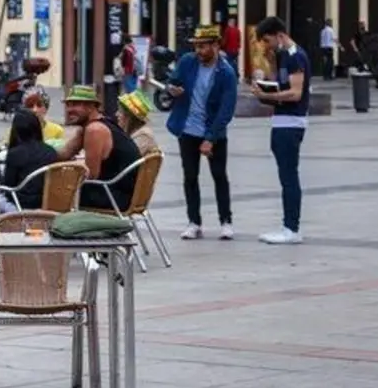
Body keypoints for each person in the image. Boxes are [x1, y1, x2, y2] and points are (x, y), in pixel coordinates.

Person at [164, 24, 238, 241]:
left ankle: (226, 221)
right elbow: (172, 82)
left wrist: (210, 138)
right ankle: (194, 222)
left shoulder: (226, 73)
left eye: (203, 46)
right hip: (187, 129)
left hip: (213, 131)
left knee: (219, 176)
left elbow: (227, 110)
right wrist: (172, 89)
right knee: (189, 176)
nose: (199, 50)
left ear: (216, 45)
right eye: (196, 46)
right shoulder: (187, 61)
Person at [250, 16, 310, 245]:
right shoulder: (284, 55)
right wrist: (270, 67)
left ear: (279, 35)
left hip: (291, 122)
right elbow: (280, 83)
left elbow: (295, 92)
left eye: (267, 40)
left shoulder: (296, 56)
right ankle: (289, 225)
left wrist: (267, 96)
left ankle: (291, 228)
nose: (267, 45)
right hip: (282, 120)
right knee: (286, 175)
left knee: (289, 176)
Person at [59, 85, 140, 211]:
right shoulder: (94, 125)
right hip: (121, 193)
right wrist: (41, 153)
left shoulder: (95, 130)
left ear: (91, 107)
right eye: (68, 104)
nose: (69, 110)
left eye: (75, 104)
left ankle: (52, 228)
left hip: (113, 196)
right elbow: (63, 154)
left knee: (53, 192)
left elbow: (91, 175)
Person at [0, 109, 58, 210]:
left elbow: (8, 188)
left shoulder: (15, 153)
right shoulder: (51, 151)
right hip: (45, 204)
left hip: (20, 206)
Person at [117, 90, 158, 155]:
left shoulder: (143, 135)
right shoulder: (133, 131)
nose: (116, 114)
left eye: (120, 111)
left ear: (129, 117)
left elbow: (128, 158)